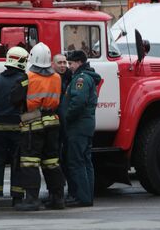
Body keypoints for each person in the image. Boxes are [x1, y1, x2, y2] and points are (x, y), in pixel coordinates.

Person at [15, 42, 66, 211]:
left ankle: (32, 200)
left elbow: (14, 99)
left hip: (32, 123)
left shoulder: (27, 77)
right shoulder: (57, 77)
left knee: (30, 162)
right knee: (52, 161)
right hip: (52, 122)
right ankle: (57, 198)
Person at [0, 46, 29, 208]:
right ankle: (17, 197)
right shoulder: (24, 80)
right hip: (17, 128)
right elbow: (27, 105)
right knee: (17, 163)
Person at [62, 50, 101, 207]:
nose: (69, 66)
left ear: (78, 62)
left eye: (70, 63)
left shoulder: (81, 79)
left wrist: (67, 117)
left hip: (78, 126)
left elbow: (78, 102)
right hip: (85, 125)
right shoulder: (86, 77)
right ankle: (86, 196)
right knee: (85, 161)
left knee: (76, 161)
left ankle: (82, 197)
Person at [51, 53, 73, 197]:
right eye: (60, 62)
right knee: (55, 158)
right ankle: (56, 190)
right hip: (53, 125)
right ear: (52, 64)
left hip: (67, 125)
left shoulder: (71, 78)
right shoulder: (50, 79)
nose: (63, 65)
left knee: (69, 159)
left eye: (65, 62)